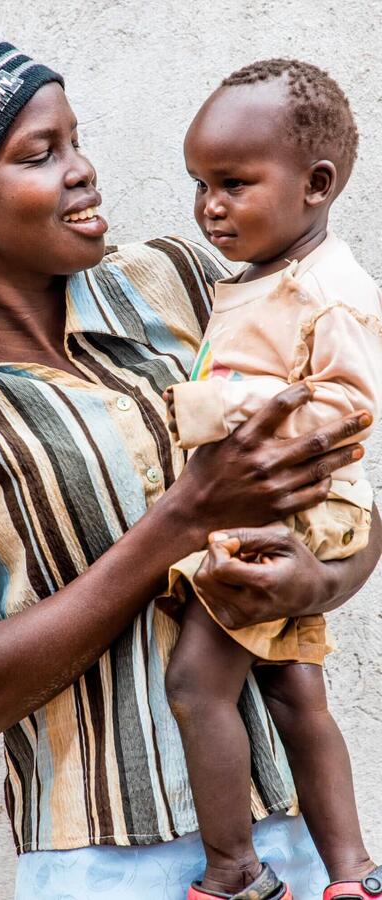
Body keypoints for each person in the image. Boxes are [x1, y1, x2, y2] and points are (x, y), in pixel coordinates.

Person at [0, 36, 381, 899]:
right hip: (103, 860)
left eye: (76, 140)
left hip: (294, 841)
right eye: (40, 154)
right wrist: (180, 518)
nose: (84, 171)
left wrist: (320, 584)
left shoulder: (178, 282)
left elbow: (334, 482)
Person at [164, 60, 382, 900]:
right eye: (199, 184)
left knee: (194, 682)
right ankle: (354, 873)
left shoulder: (331, 292)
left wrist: (221, 410)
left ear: (317, 184)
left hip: (289, 510)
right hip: (281, 507)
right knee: (294, 689)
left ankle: (234, 871)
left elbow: (351, 409)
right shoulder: (266, 275)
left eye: (233, 183)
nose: (209, 206)